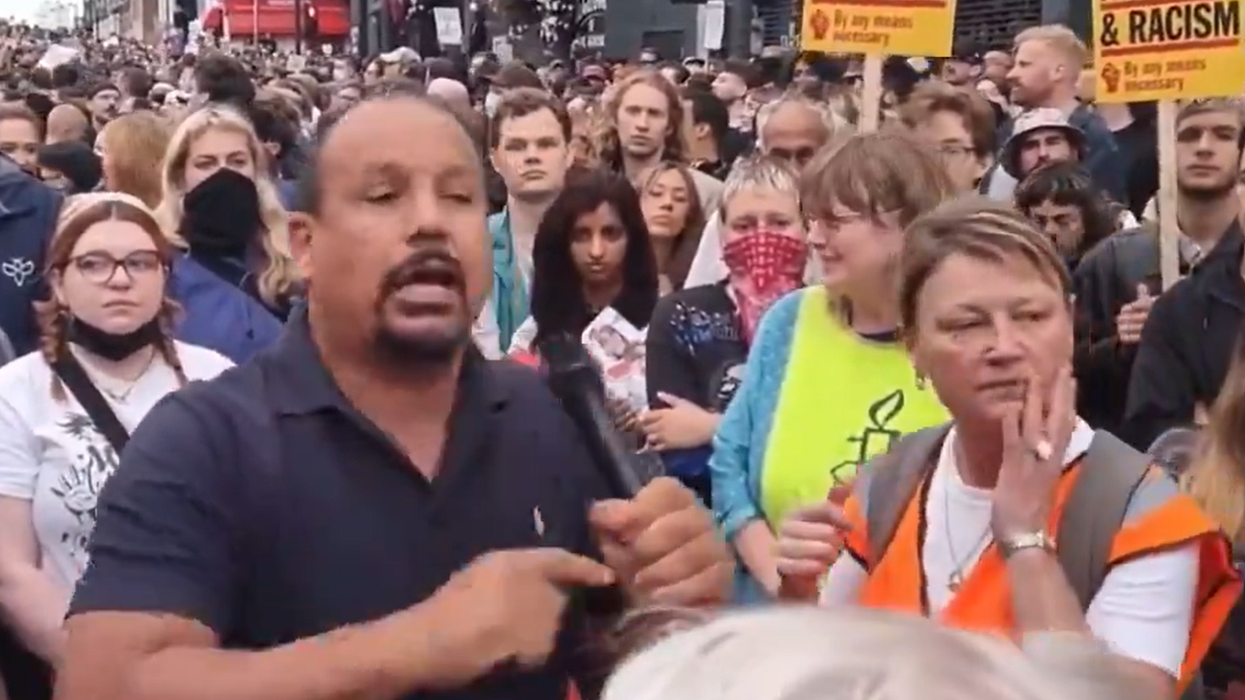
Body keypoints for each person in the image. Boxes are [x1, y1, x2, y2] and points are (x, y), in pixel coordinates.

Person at [56, 95, 731, 700]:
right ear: (305, 243)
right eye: (383, 197)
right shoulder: (204, 438)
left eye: (460, 198)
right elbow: (102, 684)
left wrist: (657, 611)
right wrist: (414, 647)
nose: (429, 223)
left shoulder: (545, 416)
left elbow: (595, 655)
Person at [776, 198, 1238, 700]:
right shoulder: (891, 482)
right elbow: (821, 678)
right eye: (966, 325)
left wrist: (1026, 541)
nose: (1004, 347)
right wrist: (797, 597)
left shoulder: (1143, 511)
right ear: (914, 347)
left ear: (1070, 324)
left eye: (1031, 316)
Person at [0, 193, 233, 689]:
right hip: (76, 668)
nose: (120, 279)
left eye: (139, 262)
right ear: (59, 282)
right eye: (94, 264)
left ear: (164, 276)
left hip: (212, 667)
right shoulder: (16, 393)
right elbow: (11, 568)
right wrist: (105, 672)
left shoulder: (218, 379)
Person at [710, 132, 950, 602]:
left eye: (835, 222)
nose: (814, 238)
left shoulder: (954, 340)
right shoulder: (791, 319)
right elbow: (729, 463)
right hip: (775, 627)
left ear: (907, 227)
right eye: (811, 219)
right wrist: (779, 577)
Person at [642, 155, 806, 506]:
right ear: (721, 234)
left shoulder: (827, 316)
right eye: (744, 226)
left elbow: (825, 440)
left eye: (779, 223)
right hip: (704, 519)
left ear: (805, 228)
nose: (762, 238)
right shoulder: (680, 314)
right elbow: (676, 448)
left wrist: (711, 427)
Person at [636, 161, 704, 294]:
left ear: (690, 213)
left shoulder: (699, 278)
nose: (667, 203)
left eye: (679, 198)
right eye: (656, 193)